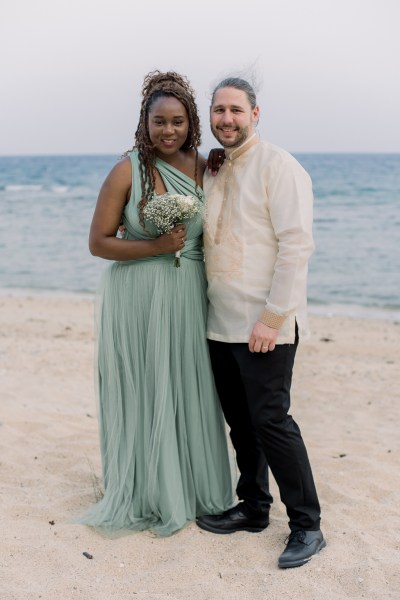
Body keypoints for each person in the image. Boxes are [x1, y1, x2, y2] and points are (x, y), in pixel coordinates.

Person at [77, 71, 233, 536]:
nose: (168, 131)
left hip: (188, 295)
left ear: (192, 124)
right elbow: (98, 243)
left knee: (188, 386)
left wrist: (224, 161)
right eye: (159, 122)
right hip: (138, 295)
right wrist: (155, 247)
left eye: (178, 122)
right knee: (147, 388)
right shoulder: (128, 169)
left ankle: (190, 487)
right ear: (144, 123)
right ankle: (147, 489)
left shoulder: (205, 166)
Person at [196, 77, 326, 568]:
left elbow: (297, 246)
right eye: (218, 110)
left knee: (272, 422)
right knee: (241, 425)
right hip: (219, 321)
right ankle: (253, 507)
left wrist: (272, 319)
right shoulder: (215, 168)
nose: (225, 119)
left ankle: (308, 526)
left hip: (265, 326)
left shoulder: (280, 166)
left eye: (235, 109)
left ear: (255, 113)